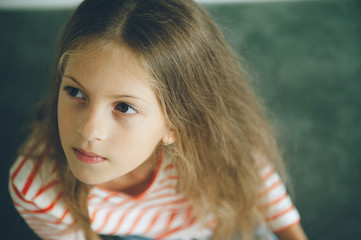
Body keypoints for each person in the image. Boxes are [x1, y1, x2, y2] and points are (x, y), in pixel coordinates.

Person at [9, 0, 308, 239]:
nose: (88, 130)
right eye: (75, 91)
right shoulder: (36, 188)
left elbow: (258, 182)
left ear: (176, 124)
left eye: (124, 108)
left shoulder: (215, 140)